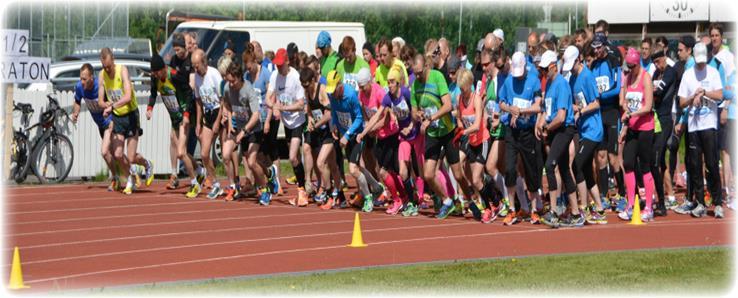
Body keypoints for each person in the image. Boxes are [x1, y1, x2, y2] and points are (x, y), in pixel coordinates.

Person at [411, 53, 473, 219]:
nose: (417, 76)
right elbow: (413, 110)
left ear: (426, 67)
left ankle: (472, 200)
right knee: (428, 174)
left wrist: (431, 118)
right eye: (414, 73)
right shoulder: (415, 85)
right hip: (432, 133)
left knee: (458, 174)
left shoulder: (437, 77)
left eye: (419, 73)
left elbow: (447, 106)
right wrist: (418, 115)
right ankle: (447, 201)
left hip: (447, 130)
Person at [677, 43, 725, 219]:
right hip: (694, 126)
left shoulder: (712, 72)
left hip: (709, 125)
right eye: (698, 62)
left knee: (712, 164)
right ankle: (700, 203)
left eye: (703, 61)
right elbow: (681, 101)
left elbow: (720, 95)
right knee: (695, 166)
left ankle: (718, 202)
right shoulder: (688, 75)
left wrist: (704, 93)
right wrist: (692, 98)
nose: (701, 64)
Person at [535, 50, 580, 227]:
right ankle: (575, 212)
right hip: (555, 130)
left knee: (550, 165)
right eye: (542, 71)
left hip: (564, 129)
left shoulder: (561, 84)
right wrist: (541, 123)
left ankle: (554, 211)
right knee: (564, 169)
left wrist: (547, 126)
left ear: (553, 66)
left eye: (545, 70)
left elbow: (561, 116)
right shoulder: (551, 84)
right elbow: (548, 110)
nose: (543, 73)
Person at [148, 53, 204, 198]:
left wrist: (186, 114)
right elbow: (153, 93)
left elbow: (189, 93)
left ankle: (194, 183)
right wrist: (149, 108)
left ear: (162, 69)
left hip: (184, 115)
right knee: (178, 146)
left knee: (180, 153)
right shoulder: (154, 78)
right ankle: (199, 171)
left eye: (156, 72)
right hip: (174, 117)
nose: (154, 75)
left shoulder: (174, 76)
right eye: (152, 73)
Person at [98, 48, 152, 195]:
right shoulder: (102, 75)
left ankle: (146, 164)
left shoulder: (123, 71)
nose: (107, 69)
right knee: (117, 154)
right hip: (117, 116)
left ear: (113, 60)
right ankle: (129, 179)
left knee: (132, 156)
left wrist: (112, 106)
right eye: (104, 67)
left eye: (109, 66)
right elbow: (100, 101)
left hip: (131, 115)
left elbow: (128, 96)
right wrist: (106, 106)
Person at [326, 70, 382, 210]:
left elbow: (358, 118)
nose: (333, 94)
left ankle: (368, 197)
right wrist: (333, 124)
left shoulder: (350, 95)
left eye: (334, 90)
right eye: (331, 91)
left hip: (356, 135)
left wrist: (348, 134)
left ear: (340, 85)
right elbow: (333, 111)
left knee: (352, 169)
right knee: (358, 168)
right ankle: (376, 187)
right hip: (344, 135)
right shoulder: (331, 95)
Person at [498, 52, 544, 225]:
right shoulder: (509, 81)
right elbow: (501, 101)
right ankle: (511, 209)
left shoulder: (533, 80)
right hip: (512, 131)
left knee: (531, 170)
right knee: (509, 169)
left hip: (527, 132)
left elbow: (538, 105)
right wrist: (510, 109)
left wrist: (522, 111)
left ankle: (533, 209)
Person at [563, 46, 607, 225]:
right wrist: (574, 108)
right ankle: (599, 208)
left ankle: (583, 206)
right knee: (587, 170)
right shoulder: (573, 78)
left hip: (594, 130)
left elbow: (596, 103)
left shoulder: (587, 76)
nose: (571, 68)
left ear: (578, 60)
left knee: (576, 165)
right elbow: (576, 102)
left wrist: (580, 110)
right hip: (583, 129)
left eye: (572, 64)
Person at [356, 68, 406, 214]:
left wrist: (371, 129)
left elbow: (385, 118)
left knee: (388, 171)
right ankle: (402, 197)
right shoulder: (361, 95)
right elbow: (367, 114)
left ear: (370, 83)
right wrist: (367, 127)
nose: (361, 89)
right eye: (359, 87)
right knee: (386, 171)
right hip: (380, 136)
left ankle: (400, 198)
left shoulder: (379, 93)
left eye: (363, 86)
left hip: (391, 134)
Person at [617, 48, 656, 222]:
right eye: (628, 66)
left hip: (645, 128)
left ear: (638, 64)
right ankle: (631, 203)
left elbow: (647, 107)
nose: (629, 69)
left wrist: (631, 114)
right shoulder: (627, 77)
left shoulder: (646, 78)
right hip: (632, 128)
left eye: (632, 66)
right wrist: (625, 113)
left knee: (645, 166)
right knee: (628, 163)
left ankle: (648, 206)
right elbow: (624, 101)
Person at [222, 62, 268, 203]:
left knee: (252, 162)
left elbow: (256, 115)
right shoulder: (227, 88)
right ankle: (232, 186)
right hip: (239, 128)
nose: (230, 84)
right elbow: (227, 105)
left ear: (239, 78)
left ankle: (265, 189)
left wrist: (244, 131)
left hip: (254, 129)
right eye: (228, 81)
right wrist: (230, 122)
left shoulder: (249, 90)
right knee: (225, 154)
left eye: (233, 81)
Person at [268, 48, 309, 206]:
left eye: (280, 65)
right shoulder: (275, 76)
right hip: (287, 123)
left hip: (298, 121)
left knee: (292, 156)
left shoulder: (295, 77)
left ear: (287, 62)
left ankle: (302, 190)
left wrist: (281, 108)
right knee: (296, 159)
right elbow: (268, 97)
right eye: (276, 65)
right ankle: (303, 189)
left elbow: (300, 105)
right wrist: (272, 104)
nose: (278, 68)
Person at [590, 32, 626, 211]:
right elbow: (590, 85)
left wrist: (600, 95)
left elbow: (616, 87)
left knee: (613, 158)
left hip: (612, 112)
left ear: (605, 46)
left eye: (598, 47)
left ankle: (622, 194)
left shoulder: (613, 61)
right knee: (600, 157)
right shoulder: (594, 64)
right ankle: (603, 196)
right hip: (598, 113)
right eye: (594, 48)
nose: (596, 51)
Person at [71, 63, 118, 191]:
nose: (82, 81)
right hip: (101, 125)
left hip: (110, 122)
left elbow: (114, 101)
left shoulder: (101, 86)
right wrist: (75, 113)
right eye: (80, 78)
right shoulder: (80, 87)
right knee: (115, 154)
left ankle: (116, 179)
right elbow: (77, 101)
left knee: (105, 152)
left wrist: (109, 110)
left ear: (92, 77)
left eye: (84, 79)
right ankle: (131, 172)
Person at [244, 42, 280, 199]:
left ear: (254, 61)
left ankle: (264, 187)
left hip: (266, 119)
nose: (247, 69)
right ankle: (269, 174)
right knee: (254, 157)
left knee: (258, 156)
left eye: (248, 65)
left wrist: (267, 121)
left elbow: (271, 98)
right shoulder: (246, 77)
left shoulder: (265, 74)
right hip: (253, 121)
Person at [192, 49, 225, 199]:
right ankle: (215, 183)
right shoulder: (197, 78)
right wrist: (199, 121)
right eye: (193, 66)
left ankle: (234, 184)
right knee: (204, 154)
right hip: (208, 115)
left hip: (220, 112)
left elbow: (223, 99)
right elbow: (198, 101)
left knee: (226, 155)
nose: (195, 69)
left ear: (204, 63)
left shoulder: (214, 75)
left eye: (197, 65)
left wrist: (218, 121)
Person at [650, 49, 678, 216]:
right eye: (654, 63)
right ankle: (665, 197)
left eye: (658, 61)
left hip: (665, 119)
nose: (656, 65)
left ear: (664, 58)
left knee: (655, 159)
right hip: (655, 119)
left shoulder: (670, 72)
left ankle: (662, 201)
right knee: (659, 161)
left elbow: (657, 91)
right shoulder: (655, 74)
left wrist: (651, 91)